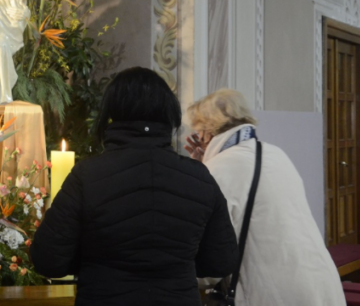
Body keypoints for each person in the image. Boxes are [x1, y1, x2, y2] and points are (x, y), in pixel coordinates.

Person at [30, 67, 238, 305]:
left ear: (112, 113)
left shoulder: (87, 176)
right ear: (169, 114)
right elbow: (222, 261)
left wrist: (92, 261)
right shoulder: (199, 178)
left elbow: (48, 260)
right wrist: (177, 261)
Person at [185, 89, 345, 306]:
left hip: (275, 294)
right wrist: (207, 164)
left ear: (207, 131)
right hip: (320, 284)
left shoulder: (220, 168)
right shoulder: (275, 153)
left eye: (198, 131)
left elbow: (214, 259)